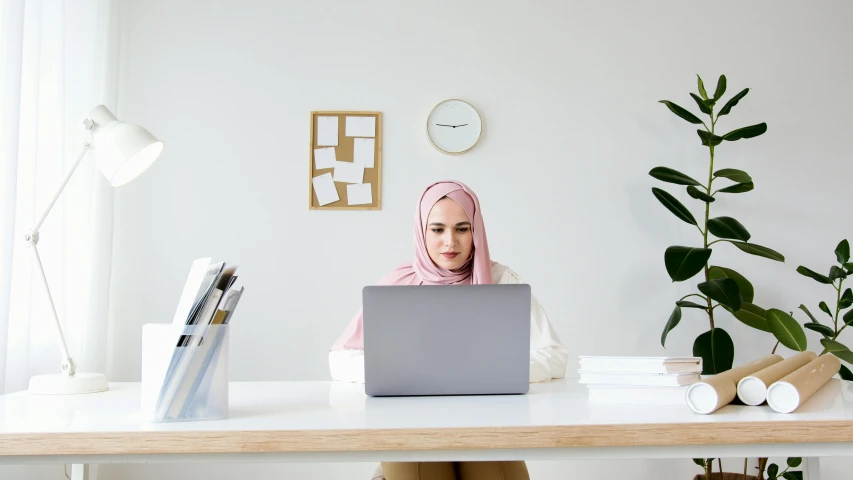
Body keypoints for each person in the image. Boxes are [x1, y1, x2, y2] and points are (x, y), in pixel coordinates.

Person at [329, 180, 567, 480]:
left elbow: (555, 356)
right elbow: (339, 358)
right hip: (411, 426)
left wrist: (498, 372)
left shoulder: (502, 281)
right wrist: (397, 371)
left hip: (490, 425)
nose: (450, 242)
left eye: (462, 228)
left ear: (476, 230)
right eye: (438, 229)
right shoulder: (398, 284)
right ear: (422, 230)